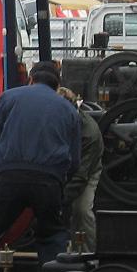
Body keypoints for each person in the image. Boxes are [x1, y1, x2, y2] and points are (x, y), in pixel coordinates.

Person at [0, 62, 80, 263]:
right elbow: (74, 161)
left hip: (9, 176)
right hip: (49, 180)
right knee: (52, 233)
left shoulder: (9, 97)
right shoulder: (69, 110)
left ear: (30, 80)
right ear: (57, 85)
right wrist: (60, 183)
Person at [58, 87, 102, 252]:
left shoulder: (89, 133)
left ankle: (88, 254)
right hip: (61, 166)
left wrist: (60, 201)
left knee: (81, 210)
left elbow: (81, 175)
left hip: (87, 170)